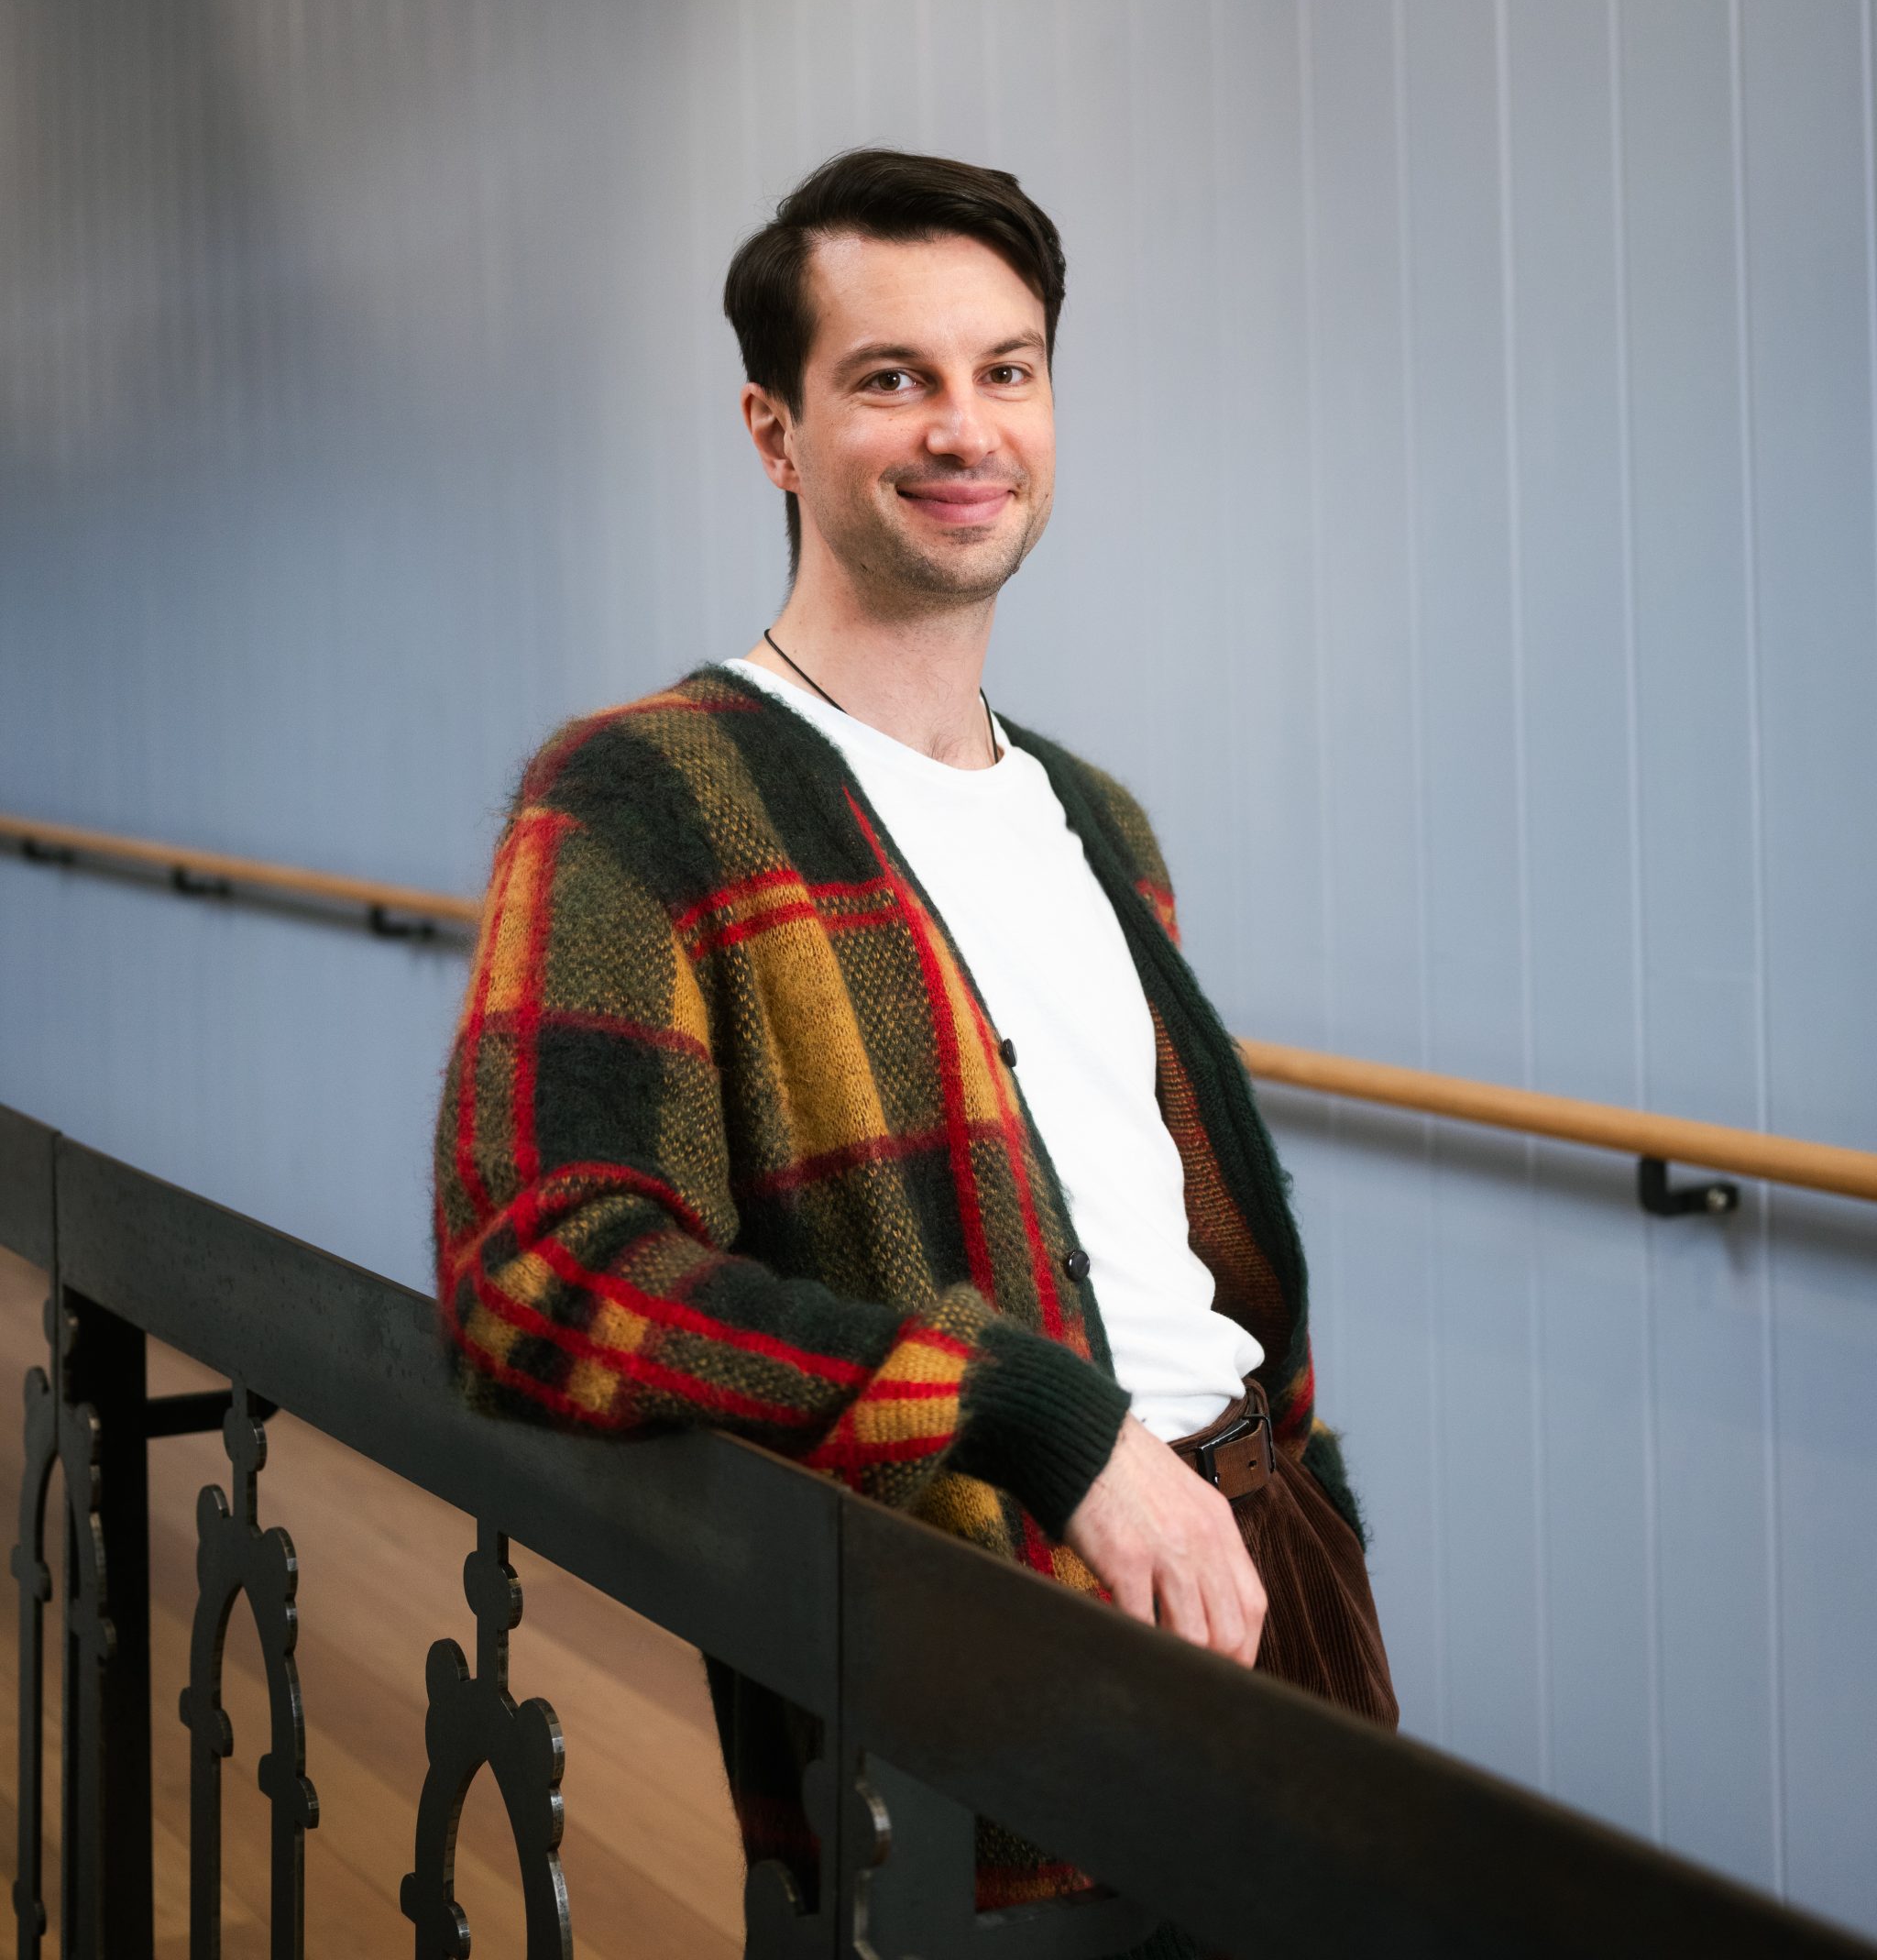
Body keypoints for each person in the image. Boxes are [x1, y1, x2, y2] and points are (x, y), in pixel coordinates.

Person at [432, 148, 1395, 1924]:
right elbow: (541, 1275)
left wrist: (1306, 1500)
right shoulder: (644, 795)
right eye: (892, 377)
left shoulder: (1098, 816)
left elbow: (1188, 1244)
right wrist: (1025, 1412)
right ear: (775, 431)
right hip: (979, 1635)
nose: (965, 426)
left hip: (1272, 1571)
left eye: (1004, 369)